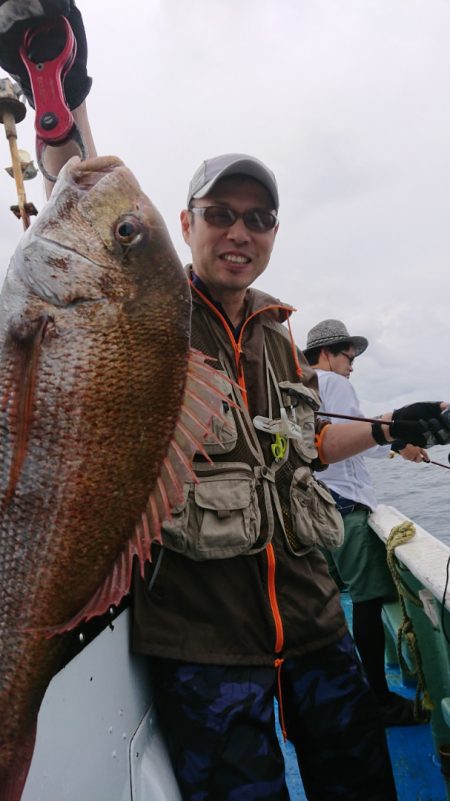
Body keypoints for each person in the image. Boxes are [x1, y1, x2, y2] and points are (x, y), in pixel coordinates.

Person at [1, 5, 449, 800]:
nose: (239, 231)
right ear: (187, 224)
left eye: (259, 217)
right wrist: (56, 87)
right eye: (220, 214)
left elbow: (302, 443)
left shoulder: (281, 336)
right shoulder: (150, 312)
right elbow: (94, 203)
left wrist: (387, 427)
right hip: (207, 649)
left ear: (273, 232)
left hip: (314, 627)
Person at [303, 319, 428, 728]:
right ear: (327, 353)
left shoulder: (300, 387)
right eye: (348, 356)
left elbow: (340, 438)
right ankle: (377, 698)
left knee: (326, 604)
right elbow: (357, 436)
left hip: (316, 508)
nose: (351, 366)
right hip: (347, 508)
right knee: (368, 602)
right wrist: (402, 438)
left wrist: (399, 446)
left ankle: (335, 691)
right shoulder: (333, 382)